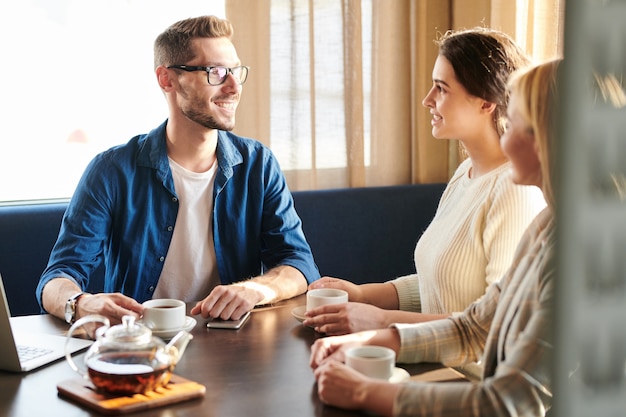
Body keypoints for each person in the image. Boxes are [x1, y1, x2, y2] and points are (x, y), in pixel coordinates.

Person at [309, 59, 561, 416]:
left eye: (516, 123)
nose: (504, 134)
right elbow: (475, 327)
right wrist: (367, 340)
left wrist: (367, 393)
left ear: (549, 139)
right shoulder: (547, 225)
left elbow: (508, 402)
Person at [36, 15, 320, 327]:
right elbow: (57, 277)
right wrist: (82, 303)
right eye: (216, 72)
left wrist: (253, 289)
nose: (234, 86)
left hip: (234, 347)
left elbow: (299, 264)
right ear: (167, 79)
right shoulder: (112, 171)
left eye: (235, 71)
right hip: (142, 349)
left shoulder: (259, 164)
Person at [304, 27, 546, 336]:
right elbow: (444, 285)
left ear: (486, 102)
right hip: (432, 357)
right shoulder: (466, 173)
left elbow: (497, 326)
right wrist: (364, 295)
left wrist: (381, 320)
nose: (427, 100)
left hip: (467, 376)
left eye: (441, 88)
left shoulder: (515, 192)